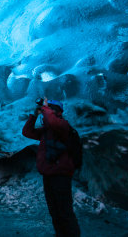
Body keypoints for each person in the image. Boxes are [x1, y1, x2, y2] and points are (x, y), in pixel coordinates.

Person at [22, 98, 80, 236]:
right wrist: (34, 115)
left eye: (49, 109)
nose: (45, 112)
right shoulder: (46, 131)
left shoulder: (64, 126)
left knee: (64, 211)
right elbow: (27, 132)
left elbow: (53, 121)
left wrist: (46, 107)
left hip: (61, 176)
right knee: (54, 211)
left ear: (58, 112)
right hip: (48, 175)